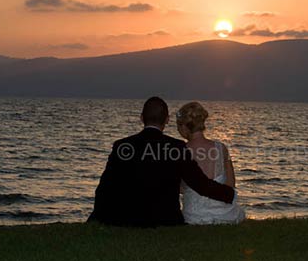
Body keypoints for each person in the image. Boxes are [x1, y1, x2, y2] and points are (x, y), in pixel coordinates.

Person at [88, 97, 235, 227]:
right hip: (166, 219)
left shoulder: (122, 146)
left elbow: (105, 187)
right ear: (166, 120)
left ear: (141, 118)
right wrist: (228, 194)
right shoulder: (176, 147)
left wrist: (99, 214)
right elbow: (200, 183)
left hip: (128, 218)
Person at [177, 102, 246, 224]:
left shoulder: (180, 151)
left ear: (183, 127)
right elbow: (231, 184)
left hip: (194, 214)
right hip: (224, 213)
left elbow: (180, 188)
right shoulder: (221, 148)